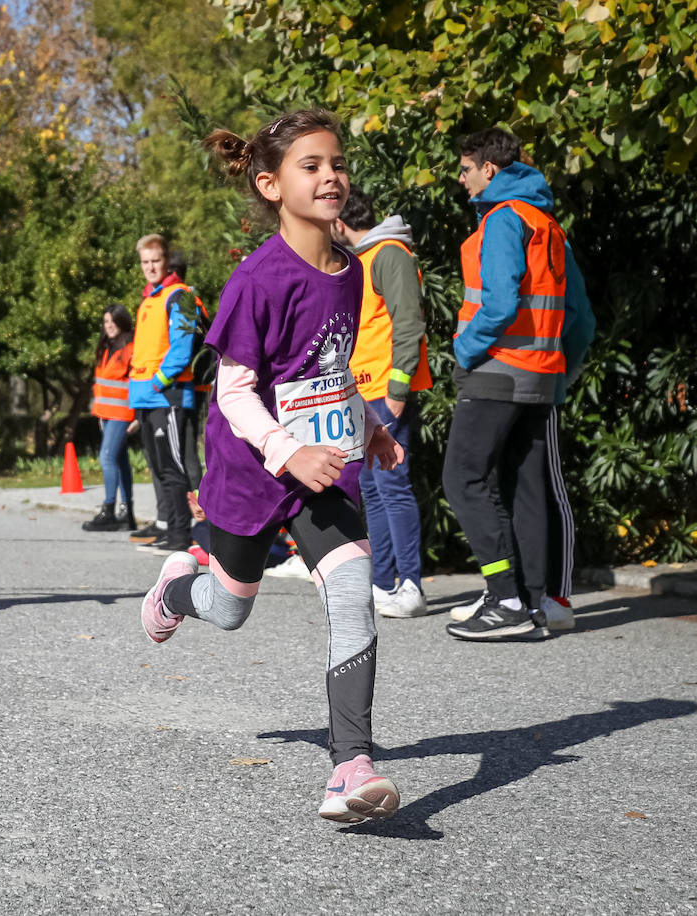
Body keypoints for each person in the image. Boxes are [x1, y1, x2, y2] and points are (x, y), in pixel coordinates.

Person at [141, 108, 405, 823]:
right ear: (269, 183)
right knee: (228, 610)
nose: (331, 177)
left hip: (321, 470)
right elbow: (233, 392)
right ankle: (173, 592)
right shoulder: (257, 279)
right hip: (249, 469)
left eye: (337, 164)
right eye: (311, 166)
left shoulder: (351, 273)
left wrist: (371, 425)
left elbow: (328, 369)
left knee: (352, 587)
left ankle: (351, 765)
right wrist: (288, 450)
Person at [442, 127, 591, 640]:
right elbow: (578, 316)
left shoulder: (504, 220)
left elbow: (500, 305)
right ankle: (532, 604)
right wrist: (556, 369)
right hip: (538, 375)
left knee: (463, 478)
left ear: (489, 169)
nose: (460, 179)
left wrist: (463, 349)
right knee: (526, 488)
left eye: (465, 169)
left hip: (497, 370)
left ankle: (504, 600)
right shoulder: (545, 222)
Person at [334, 187, 433, 618]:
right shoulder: (366, 258)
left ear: (340, 222)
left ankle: (410, 585)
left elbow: (408, 325)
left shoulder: (388, 253)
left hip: (383, 393)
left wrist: (395, 395)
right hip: (364, 392)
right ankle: (383, 583)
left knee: (392, 488)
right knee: (373, 491)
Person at [128, 234, 201, 554]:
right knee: (159, 469)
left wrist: (159, 381)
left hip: (166, 395)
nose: (150, 267)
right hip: (144, 398)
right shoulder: (148, 299)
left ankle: (180, 536)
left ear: (167, 260)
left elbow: (182, 349)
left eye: (155, 261)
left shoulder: (180, 296)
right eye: (145, 262)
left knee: (174, 469)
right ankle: (170, 530)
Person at [82, 303, 138, 532]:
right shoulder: (106, 348)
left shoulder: (131, 349)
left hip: (122, 414)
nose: (109, 326)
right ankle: (127, 514)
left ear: (122, 322)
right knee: (120, 460)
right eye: (105, 322)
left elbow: (136, 384)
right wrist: (99, 413)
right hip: (107, 415)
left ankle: (109, 510)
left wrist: (138, 417)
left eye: (112, 321)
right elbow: (104, 386)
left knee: (106, 458)